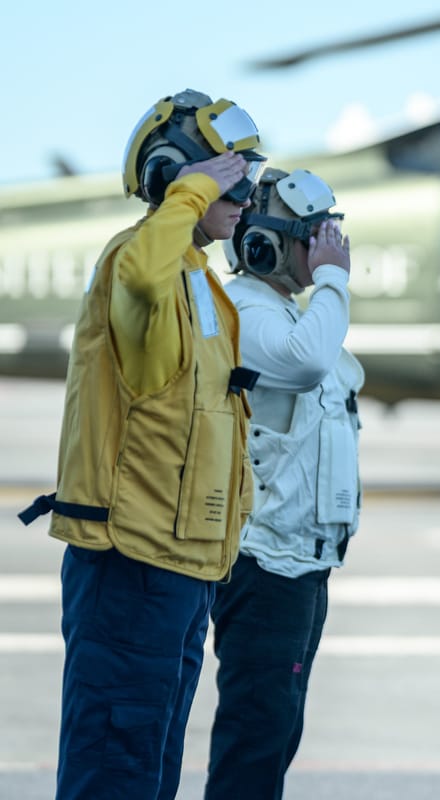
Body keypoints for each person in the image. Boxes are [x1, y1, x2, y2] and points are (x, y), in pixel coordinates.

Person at [17, 89, 266, 799]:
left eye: (247, 177)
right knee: (114, 769)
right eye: (230, 177)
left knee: (149, 768)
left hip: (180, 567)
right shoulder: (140, 259)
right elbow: (140, 276)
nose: (244, 196)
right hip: (131, 565)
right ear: (173, 176)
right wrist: (188, 195)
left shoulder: (197, 277)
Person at [204, 167, 361, 800]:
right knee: (256, 733)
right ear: (265, 244)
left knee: (274, 734)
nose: (327, 247)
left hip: (300, 562)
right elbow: (307, 363)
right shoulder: (246, 309)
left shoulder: (284, 312)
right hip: (265, 564)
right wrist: (333, 280)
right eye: (312, 236)